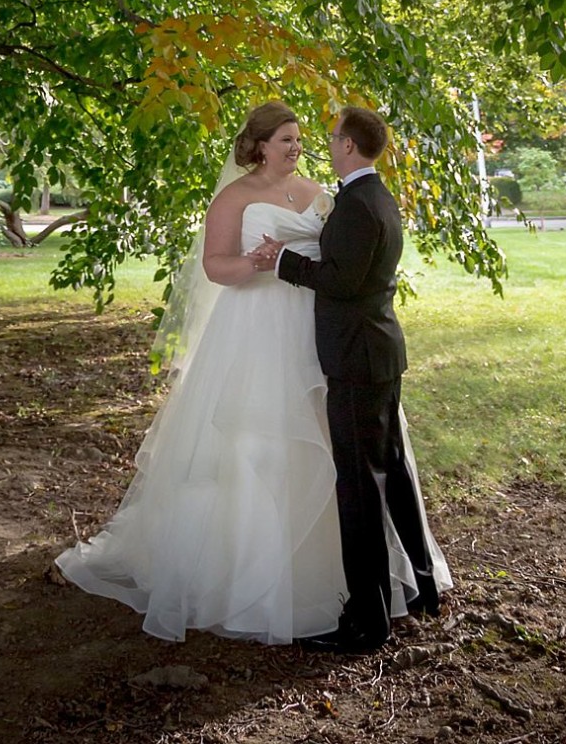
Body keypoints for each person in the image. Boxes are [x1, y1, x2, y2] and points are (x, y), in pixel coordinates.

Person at [55, 102, 449, 645]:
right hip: (258, 334)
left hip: (323, 337)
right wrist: (259, 264)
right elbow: (217, 266)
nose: (296, 147)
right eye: (285, 139)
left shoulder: (322, 195)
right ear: (259, 144)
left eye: (301, 138)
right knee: (261, 448)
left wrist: (285, 261)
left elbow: (342, 266)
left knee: (352, 461)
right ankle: (269, 579)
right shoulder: (234, 198)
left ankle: (368, 589)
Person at [254, 104, 447, 653]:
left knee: (358, 488)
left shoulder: (359, 205)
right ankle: (423, 590)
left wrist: (281, 262)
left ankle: (368, 619)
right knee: (393, 472)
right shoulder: (374, 198)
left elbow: (341, 283)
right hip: (379, 354)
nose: (326, 142)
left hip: (357, 360)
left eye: (332, 136)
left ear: (348, 146)